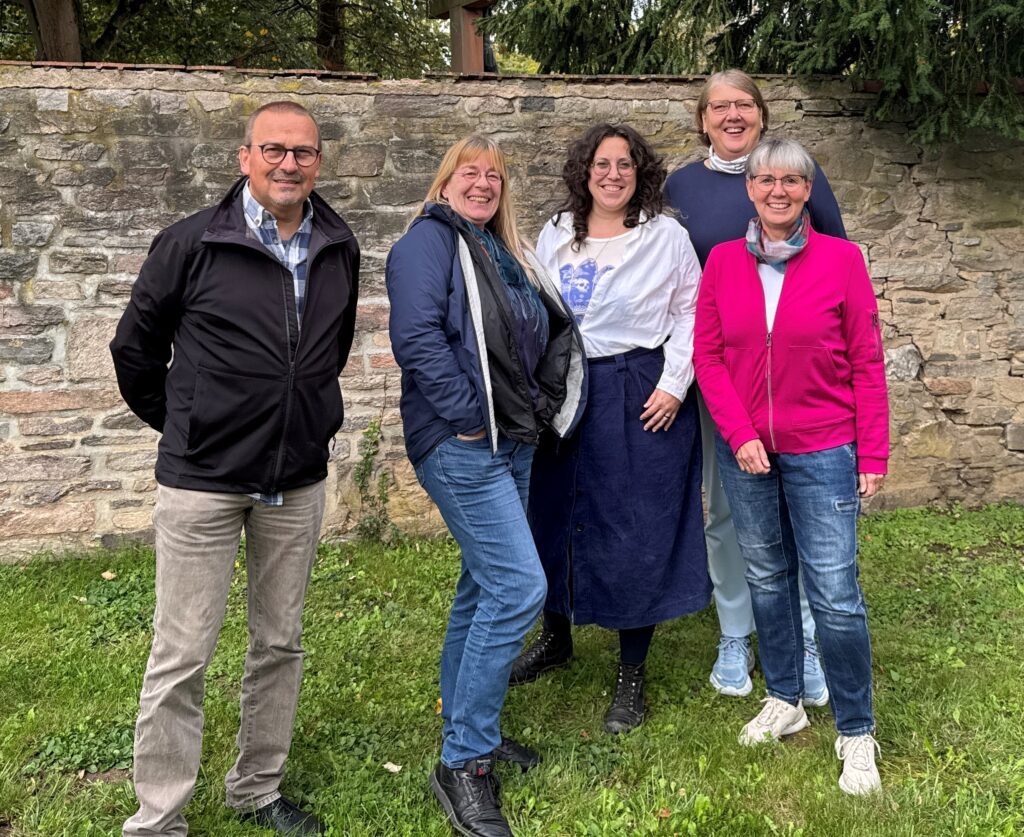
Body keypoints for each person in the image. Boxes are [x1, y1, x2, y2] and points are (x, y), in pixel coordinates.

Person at [110, 101, 359, 836]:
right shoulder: (192, 243)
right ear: (245, 156)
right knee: (182, 653)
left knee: (279, 642)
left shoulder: (338, 243)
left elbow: (327, 353)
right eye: (275, 150)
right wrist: (189, 425)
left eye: (304, 152)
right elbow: (135, 351)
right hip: (203, 482)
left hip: (297, 480)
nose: (290, 164)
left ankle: (256, 785)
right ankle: (158, 816)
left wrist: (299, 420)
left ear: (319, 160)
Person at [386, 135, 586, 837]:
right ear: (444, 183)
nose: (482, 183)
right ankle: (463, 762)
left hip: (514, 439)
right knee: (517, 587)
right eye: (468, 173)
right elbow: (416, 339)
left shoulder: (504, 252)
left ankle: (474, 724)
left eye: (493, 175)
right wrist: (470, 415)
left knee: (483, 584)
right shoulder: (427, 244)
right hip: (463, 441)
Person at [694, 138, 888, 794]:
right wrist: (740, 432)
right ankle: (785, 697)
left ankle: (857, 729)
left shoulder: (842, 260)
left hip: (825, 445)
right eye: (765, 180)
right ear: (749, 189)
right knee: (768, 578)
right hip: (746, 448)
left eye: (791, 181)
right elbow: (709, 356)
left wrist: (874, 448)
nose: (778, 190)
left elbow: (866, 357)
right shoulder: (722, 262)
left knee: (834, 592)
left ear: (807, 191)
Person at [511, 123, 710, 735]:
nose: (613, 174)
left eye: (625, 164)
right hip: (565, 385)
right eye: (602, 164)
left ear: (640, 172)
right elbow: (531, 307)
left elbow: (693, 312)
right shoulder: (554, 234)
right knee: (555, 509)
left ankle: (631, 669)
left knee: (635, 521)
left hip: (637, 385)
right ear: (585, 171)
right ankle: (557, 633)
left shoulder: (665, 236)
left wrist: (674, 384)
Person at [664, 69, 847, 701]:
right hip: (722, 381)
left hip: (796, 387)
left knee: (795, 514)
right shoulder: (681, 186)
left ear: (762, 115)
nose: (733, 115)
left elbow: (836, 263)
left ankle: (802, 637)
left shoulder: (796, 173)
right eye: (720, 107)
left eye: (744, 104)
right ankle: (736, 631)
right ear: (703, 118)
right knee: (725, 511)